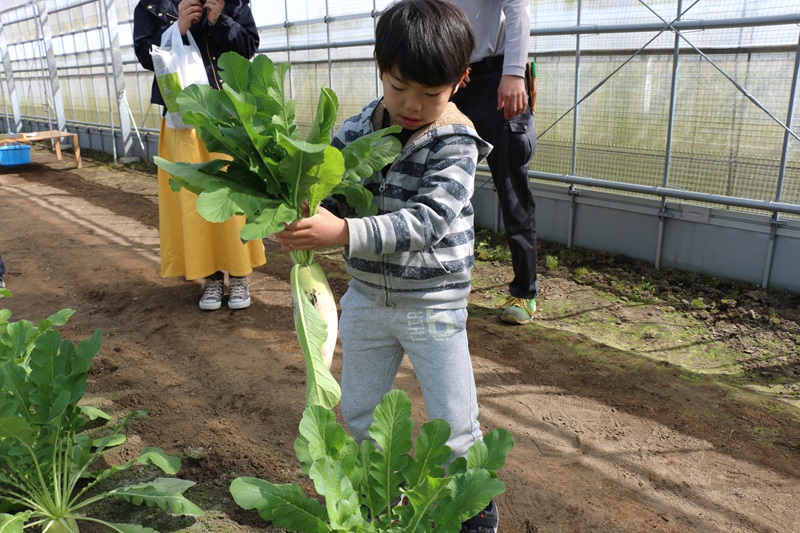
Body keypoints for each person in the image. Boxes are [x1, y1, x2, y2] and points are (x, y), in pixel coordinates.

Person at [276, 1, 498, 530]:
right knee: (358, 412)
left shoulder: (455, 142)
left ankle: (474, 513)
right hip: (367, 300)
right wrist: (301, 215)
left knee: (453, 423)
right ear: (380, 66)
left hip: (434, 306)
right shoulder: (354, 132)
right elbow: (327, 196)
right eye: (400, 88)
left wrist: (344, 232)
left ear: (460, 81)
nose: (413, 105)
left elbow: (428, 221)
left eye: (431, 93)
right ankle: (386, 500)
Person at [133, 0, 266, 311]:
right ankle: (210, 278)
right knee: (194, 200)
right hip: (182, 120)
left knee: (233, 195)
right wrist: (176, 28)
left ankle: (239, 274)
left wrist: (220, 20)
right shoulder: (152, 6)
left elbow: (247, 48)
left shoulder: (232, 3)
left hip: (227, 119)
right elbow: (144, 54)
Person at [448, 0, 539, 325]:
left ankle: (524, 290)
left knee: (512, 190)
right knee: (444, 184)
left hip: (496, 77)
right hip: (450, 80)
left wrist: (514, 71)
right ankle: (444, 282)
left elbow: (517, 7)